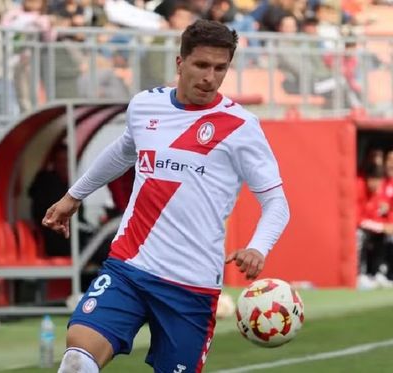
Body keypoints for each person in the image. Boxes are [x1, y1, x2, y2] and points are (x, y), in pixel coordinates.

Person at [43, 20, 290, 372]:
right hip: (129, 266)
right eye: (202, 65)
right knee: (76, 361)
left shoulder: (241, 127)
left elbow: (277, 203)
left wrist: (258, 247)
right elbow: (123, 151)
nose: (210, 77)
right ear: (180, 63)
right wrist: (74, 196)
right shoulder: (145, 106)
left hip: (191, 286)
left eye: (220, 68)